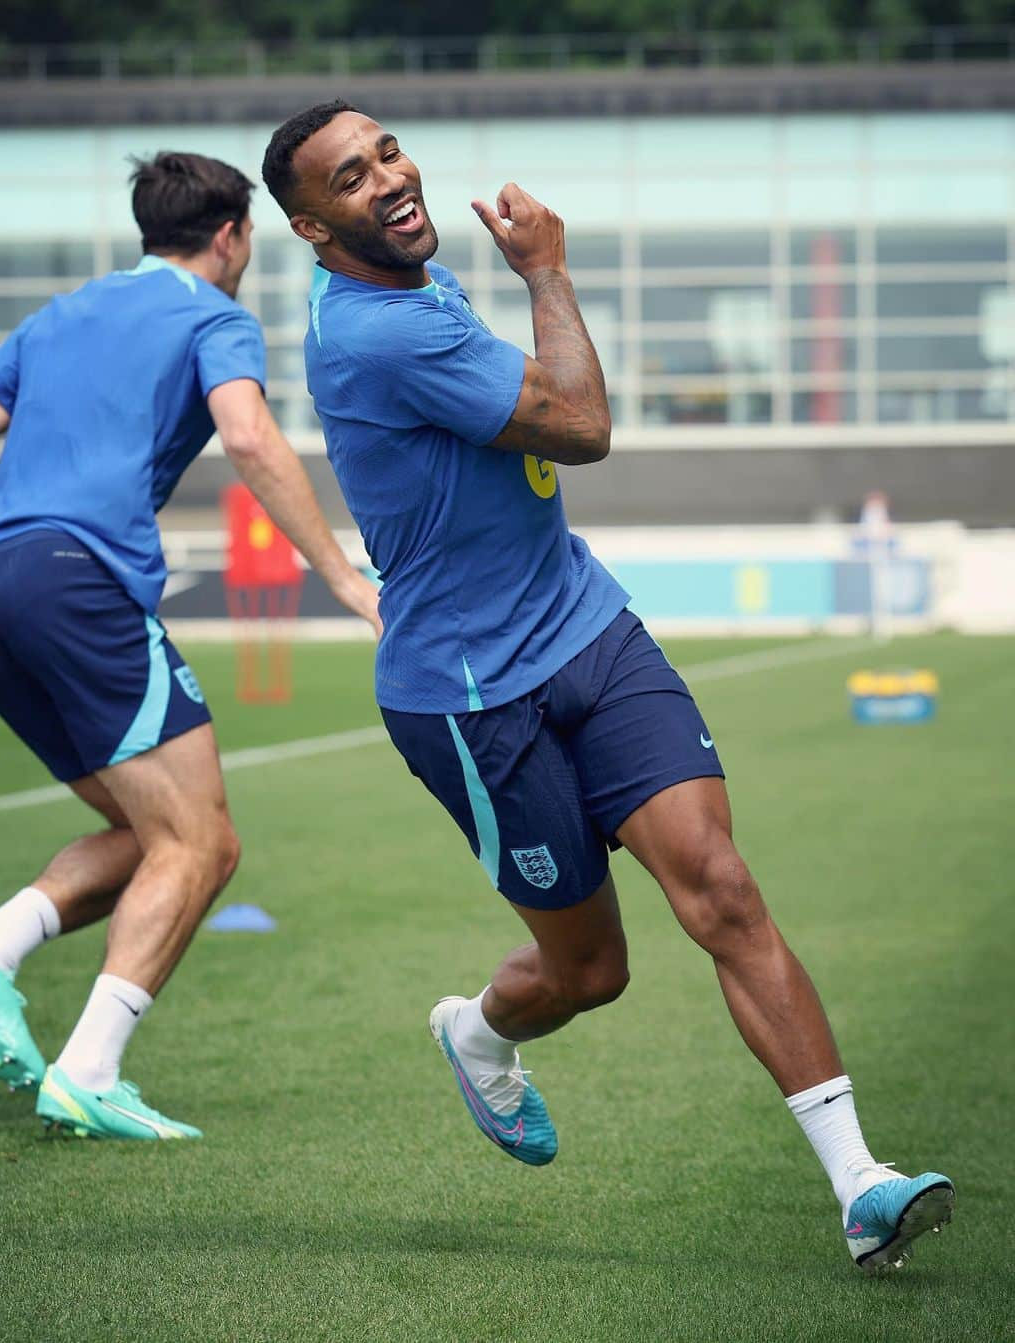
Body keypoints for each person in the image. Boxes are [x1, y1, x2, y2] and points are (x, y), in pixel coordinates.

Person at [259, 100, 954, 1272]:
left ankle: (861, 1183)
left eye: (388, 151)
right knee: (592, 972)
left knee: (723, 889)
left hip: (588, 627)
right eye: (350, 176)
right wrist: (550, 272)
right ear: (310, 226)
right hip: (470, 695)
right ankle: (477, 1030)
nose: (386, 177)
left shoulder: (413, 282)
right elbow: (579, 421)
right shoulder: (374, 333)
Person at [0, 150, 380, 1141]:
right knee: (205, 840)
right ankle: (86, 1064)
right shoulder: (215, 318)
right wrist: (346, 579)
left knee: (152, 834)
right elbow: (252, 440)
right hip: (81, 587)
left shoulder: (60, 315)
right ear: (230, 237)